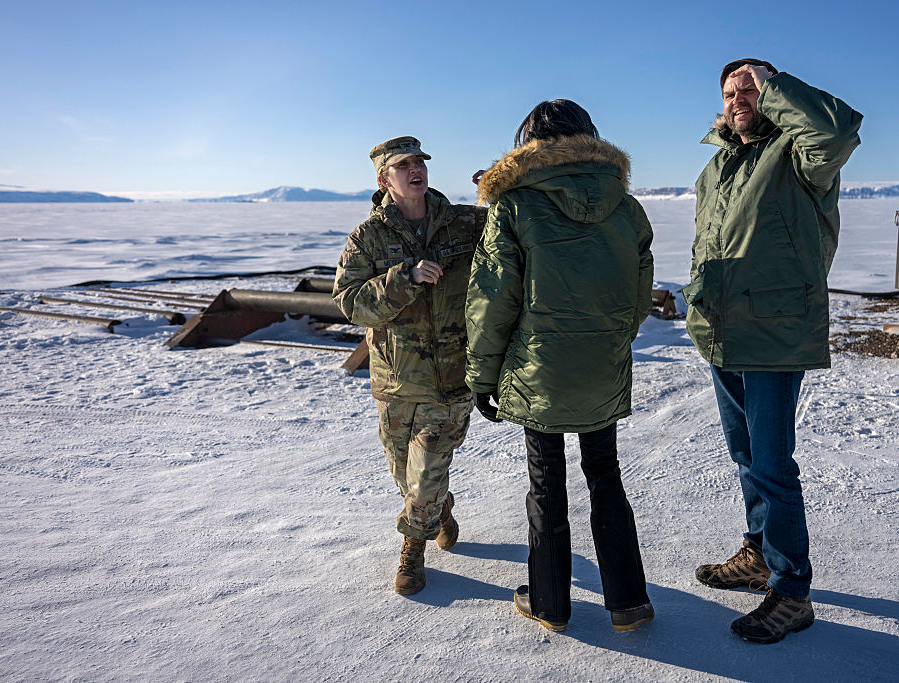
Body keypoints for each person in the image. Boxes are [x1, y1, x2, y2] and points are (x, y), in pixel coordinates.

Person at [685, 59, 862, 644]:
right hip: (724, 329)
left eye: (752, 88)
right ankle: (759, 553)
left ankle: (792, 591)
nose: (740, 97)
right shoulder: (718, 165)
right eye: (731, 90)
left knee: (772, 465)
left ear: (774, 92)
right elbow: (709, 244)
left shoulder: (799, 155)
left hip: (774, 329)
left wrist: (775, 87)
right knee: (745, 455)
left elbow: (835, 132)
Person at [465, 100, 655, 632]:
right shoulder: (628, 207)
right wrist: (611, 338)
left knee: (546, 482)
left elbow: (491, 300)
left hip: (537, 369)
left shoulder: (515, 206)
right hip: (601, 363)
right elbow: (640, 292)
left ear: (528, 146)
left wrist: (482, 374)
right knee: (606, 476)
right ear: (590, 140)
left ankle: (549, 603)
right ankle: (628, 602)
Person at [333, 136, 486, 595]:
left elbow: (510, 237)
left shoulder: (463, 223)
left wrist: (499, 195)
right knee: (406, 475)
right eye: (404, 165)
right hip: (396, 382)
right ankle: (439, 508)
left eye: (419, 161)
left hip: (451, 380)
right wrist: (404, 278)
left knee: (422, 480)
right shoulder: (368, 237)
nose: (415, 169)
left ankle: (412, 554)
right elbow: (350, 304)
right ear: (385, 179)